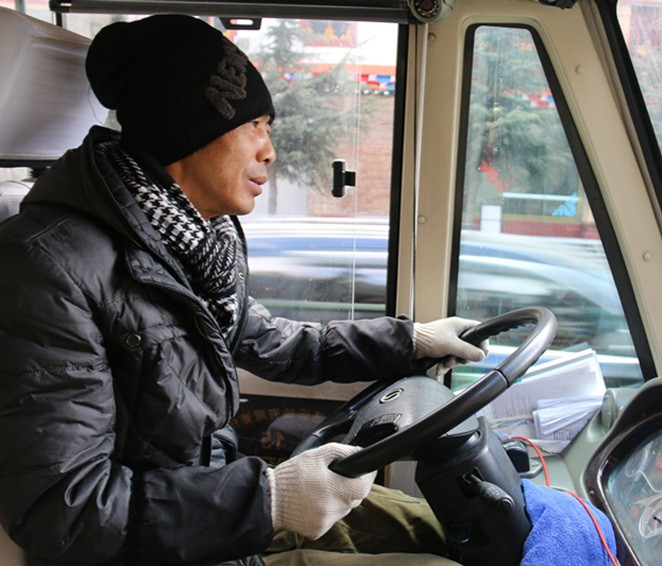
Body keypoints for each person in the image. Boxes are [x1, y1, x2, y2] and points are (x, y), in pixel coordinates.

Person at [0, 14, 487, 565]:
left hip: (211, 513)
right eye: (255, 125)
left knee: (433, 527)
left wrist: (410, 341)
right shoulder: (47, 268)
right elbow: (63, 510)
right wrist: (269, 501)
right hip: (159, 547)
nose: (269, 151)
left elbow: (275, 341)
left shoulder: (194, 244)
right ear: (186, 129)